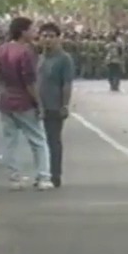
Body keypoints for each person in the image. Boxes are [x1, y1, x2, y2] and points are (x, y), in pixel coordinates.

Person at [0, 17, 53, 190]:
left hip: (6, 100)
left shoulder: (0, 50)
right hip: (24, 100)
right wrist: (38, 103)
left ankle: (15, 178)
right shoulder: (25, 52)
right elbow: (29, 82)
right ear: (23, 31)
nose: (35, 33)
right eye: (32, 29)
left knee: (11, 140)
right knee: (38, 140)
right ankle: (43, 177)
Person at [38, 22, 75, 188]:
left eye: (51, 36)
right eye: (44, 36)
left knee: (53, 141)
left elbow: (67, 83)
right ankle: (42, 174)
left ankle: (55, 175)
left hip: (54, 105)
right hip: (38, 106)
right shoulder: (38, 58)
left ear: (58, 39)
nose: (47, 40)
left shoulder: (64, 59)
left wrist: (65, 105)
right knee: (39, 142)